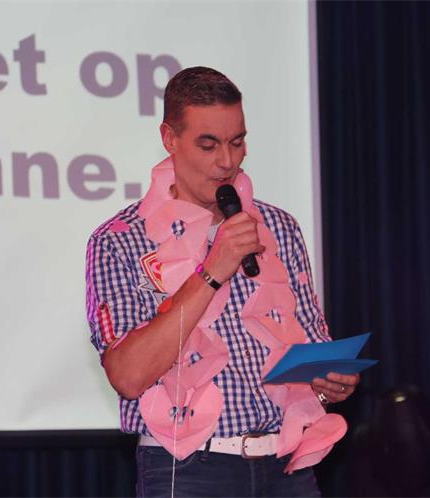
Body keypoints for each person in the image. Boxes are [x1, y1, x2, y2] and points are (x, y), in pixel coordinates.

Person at [85, 66, 360, 497]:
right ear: (169, 138)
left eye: (237, 142)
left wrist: (329, 380)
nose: (228, 161)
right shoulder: (120, 240)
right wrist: (213, 270)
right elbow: (129, 375)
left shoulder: (278, 227)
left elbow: (311, 341)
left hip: (286, 464)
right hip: (189, 468)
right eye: (209, 144)